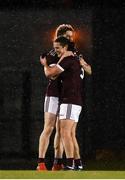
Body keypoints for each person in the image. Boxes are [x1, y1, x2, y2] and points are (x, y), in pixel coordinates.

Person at [41, 36, 83, 170]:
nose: (55, 50)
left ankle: (69, 163)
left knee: (65, 132)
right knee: (69, 133)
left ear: (65, 47)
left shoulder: (68, 59)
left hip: (69, 100)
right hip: (71, 100)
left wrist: (45, 64)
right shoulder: (75, 59)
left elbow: (50, 73)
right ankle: (76, 163)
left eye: (58, 48)